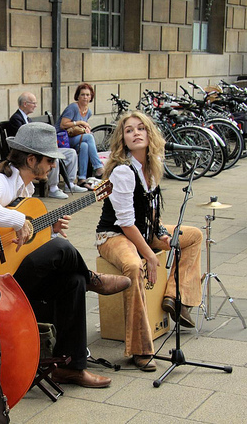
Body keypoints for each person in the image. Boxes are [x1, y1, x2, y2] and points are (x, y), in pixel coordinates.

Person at [0, 122, 131, 388]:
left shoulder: (27, 190)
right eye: (49, 160)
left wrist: (48, 229)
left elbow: (26, 244)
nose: (53, 166)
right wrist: (17, 219)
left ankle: (69, 366)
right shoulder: (0, 182)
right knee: (64, 250)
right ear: (31, 159)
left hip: (17, 271)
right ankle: (94, 278)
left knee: (73, 282)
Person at [95, 111, 203, 372]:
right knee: (134, 267)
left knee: (193, 236)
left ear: (150, 134)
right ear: (123, 139)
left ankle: (176, 299)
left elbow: (150, 210)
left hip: (142, 229)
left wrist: (159, 234)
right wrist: (150, 255)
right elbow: (125, 222)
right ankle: (139, 348)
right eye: (129, 130)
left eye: (141, 128)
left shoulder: (152, 165)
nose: (136, 133)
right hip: (113, 235)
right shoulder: (123, 171)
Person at [8, 92, 87, 199]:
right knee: (52, 158)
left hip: (40, 148)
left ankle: (71, 183)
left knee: (71, 152)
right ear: (25, 104)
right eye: (33, 103)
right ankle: (53, 188)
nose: (35, 105)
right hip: (30, 151)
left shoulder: (27, 118)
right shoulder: (16, 119)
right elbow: (23, 141)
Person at [57, 83, 105, 190]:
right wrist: (78, 122)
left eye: (88, 95)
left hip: (76, 138)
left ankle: (82, 179)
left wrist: (85, 128)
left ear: (91, 97)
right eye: (82, 95)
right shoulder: (73, 107)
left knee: (84, 146)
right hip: (63, 139)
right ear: (78, 96)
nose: (85, 97)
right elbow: (63, 124)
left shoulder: (89, 111)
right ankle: (98, 166)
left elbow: (80, 129)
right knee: (89, 138)